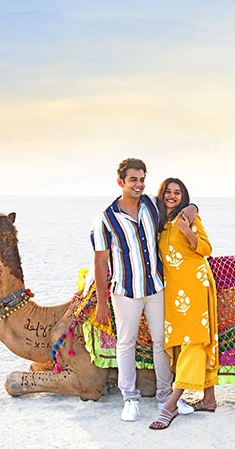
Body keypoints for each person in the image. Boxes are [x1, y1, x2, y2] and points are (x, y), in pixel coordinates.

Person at [91, 158, 197, 422]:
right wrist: (102, 303)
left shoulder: (151, 205)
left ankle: (165, 397)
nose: (138, 185)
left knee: (162, 342)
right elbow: (100, 262)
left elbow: (179, 205)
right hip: (125, 291)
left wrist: (193, 207)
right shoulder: (106, 218)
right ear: (121, 182)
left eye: (142, 179)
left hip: (155, 287)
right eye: (133, 180)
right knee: (126, 343)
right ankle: (130, 399)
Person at [149, 178, 219, 430]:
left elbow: (207, 249)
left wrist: (187, 229)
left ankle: (171, 405)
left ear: (183, 196)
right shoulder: (159, 222)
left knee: (194, 340)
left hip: (195, 284)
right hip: (174, 291)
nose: (172, 196)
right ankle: (208, 399)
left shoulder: (188, 217)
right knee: (184, 341)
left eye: (177, 193)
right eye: (168, 192)